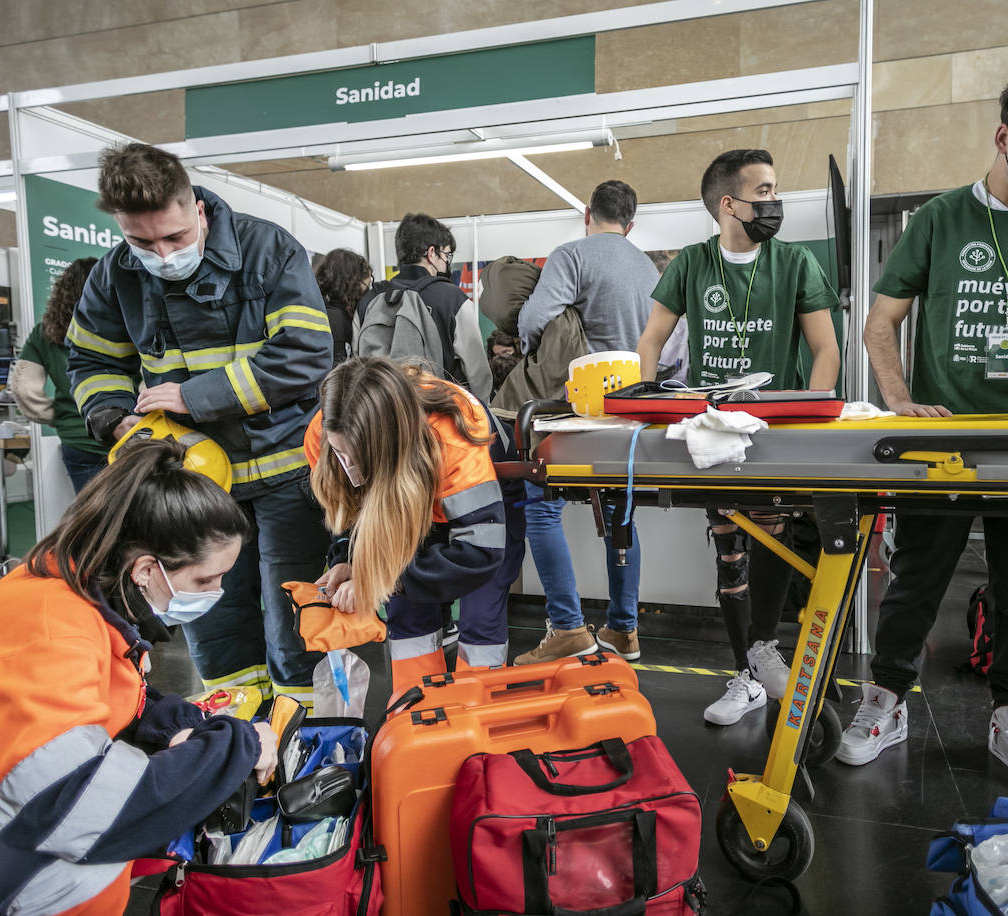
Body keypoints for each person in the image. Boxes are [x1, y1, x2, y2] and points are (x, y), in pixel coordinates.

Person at [837, 59, 1008, 799]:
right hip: (946, 439)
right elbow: (881, 320)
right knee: (914, 582)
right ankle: (886, 701)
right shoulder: (937, 219)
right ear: (1004, 136)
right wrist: (898, 400)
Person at [0, 438, 276, 915]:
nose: (218, 592)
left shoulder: (71, 589)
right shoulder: (51, 633)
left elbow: (116, 696)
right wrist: (238, 748)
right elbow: (85, 813)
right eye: (204, 580)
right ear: (146, 570)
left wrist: (181, 725)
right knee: (88, 865)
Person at [68, 142, 333, 709]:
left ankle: (305, 733)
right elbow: (91, 363)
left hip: (287, 473)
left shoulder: (269, 249)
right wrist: (119, 423)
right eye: (142, 242)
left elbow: (307, 353)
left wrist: (193, 396)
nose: (160, 255)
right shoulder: (116, 274)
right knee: (210, 614)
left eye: (174, 238)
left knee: (297, 613)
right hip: (191, 480)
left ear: (198, 208)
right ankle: (233, 736)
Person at [636, 148, 840, 725]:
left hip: (778, 429)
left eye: (776, 190)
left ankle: (764, 648)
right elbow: (651, 338)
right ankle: (747, 676)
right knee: (729, 552)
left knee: (772, 538)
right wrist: (651, 400)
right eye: (765, 191)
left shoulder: (796, 263)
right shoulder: (692, 264)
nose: (775, 202)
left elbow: (825, 349)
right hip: (715, 430)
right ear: (730, 203)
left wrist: (810, 417)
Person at [514, 180, 659, 665]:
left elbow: (535, 318)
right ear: (631, 223)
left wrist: (523, 345)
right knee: (621, 513)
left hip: (578, 409)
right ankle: (623, 630)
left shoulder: (572, 255)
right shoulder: (648, 266)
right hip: (630, 413)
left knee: (540, 504)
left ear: (587, 214)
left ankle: (568, 627)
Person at [307, 357, 509, 686]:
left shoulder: (452, 441)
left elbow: (479, 552)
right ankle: (415, 714)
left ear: (390, 443)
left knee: (480, 618)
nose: (349, 468)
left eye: (358, 457)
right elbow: (354, 512)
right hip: (409, 493)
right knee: (405, 611)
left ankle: (475, 713)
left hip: (488, 492)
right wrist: (350, 560)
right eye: (340, 453)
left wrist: (383, 579)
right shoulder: (325, 433)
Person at [359, 214, 491, 399]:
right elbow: (477, 373)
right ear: (431, 253)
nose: (447, 263)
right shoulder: (452, 298)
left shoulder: (370, 299)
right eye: (446, 255)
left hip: (383, 414)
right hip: (439, 416)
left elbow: (357, 367)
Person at [13, 258, 110, 493]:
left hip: (78, 438)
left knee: (92, 518)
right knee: (144, 515)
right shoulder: (123, 325)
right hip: (129, 434)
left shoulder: (45, 332)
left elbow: (23, 389)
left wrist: (63, 417)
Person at [315, 248, 372, 366]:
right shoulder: (335, 320)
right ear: (351, 283)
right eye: (366, 285)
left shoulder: (323, 311)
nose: (367, 290)